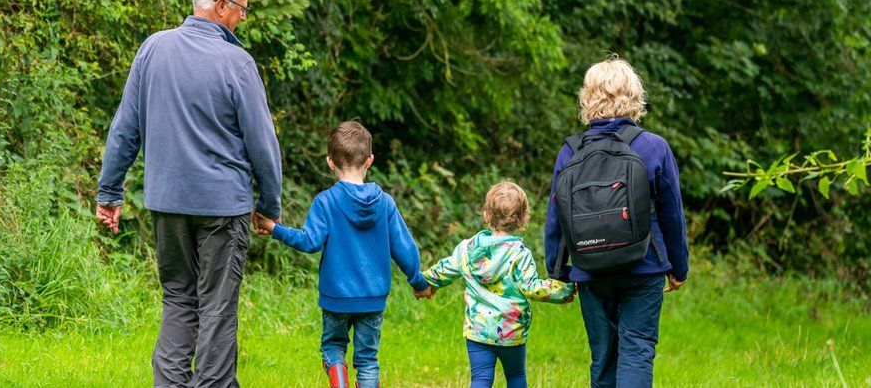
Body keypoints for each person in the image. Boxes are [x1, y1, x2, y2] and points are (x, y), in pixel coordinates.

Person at [95, 0, 282, 387]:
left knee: (179, 300)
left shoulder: (153, 49)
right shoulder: (237, 62)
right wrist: (268, 206)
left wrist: (110, 192)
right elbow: (263, 145)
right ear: (220, 6)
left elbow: (126, 127)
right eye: (241, 10)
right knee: (217, 306)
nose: (242, 20)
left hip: (168, 205)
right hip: (222, 208)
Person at [545, 56, 689, 388]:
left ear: (588, 97)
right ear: (634, 96)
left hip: (590, 270)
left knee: (604, 357)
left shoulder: (570, 152)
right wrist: (678, 267)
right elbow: (672, 215)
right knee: (637, 352)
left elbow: (556, 219)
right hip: (644, 266)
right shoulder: (654, 147)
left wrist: (558, 272)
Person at [255, 121, 431, 388]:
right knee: (368, 360)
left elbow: (310, 242)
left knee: (333, 346)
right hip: (372, 298)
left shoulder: (325, 201)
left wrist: (275, 228)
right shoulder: (385, 203)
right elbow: (404, 248)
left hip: (336, 297)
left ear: (329, 162)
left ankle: (339, 382)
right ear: (369, 160)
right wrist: (418, 282)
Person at [421, 181, 575, 388]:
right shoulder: (520, 254)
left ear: (486, 215)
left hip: (478, 332)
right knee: (516, 377)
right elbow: (532, 288)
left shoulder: (467, 250)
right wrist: (565, 290)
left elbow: (444, 269)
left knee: (481, 380)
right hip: (511, 332)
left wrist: (423, 283)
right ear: (522, 218)